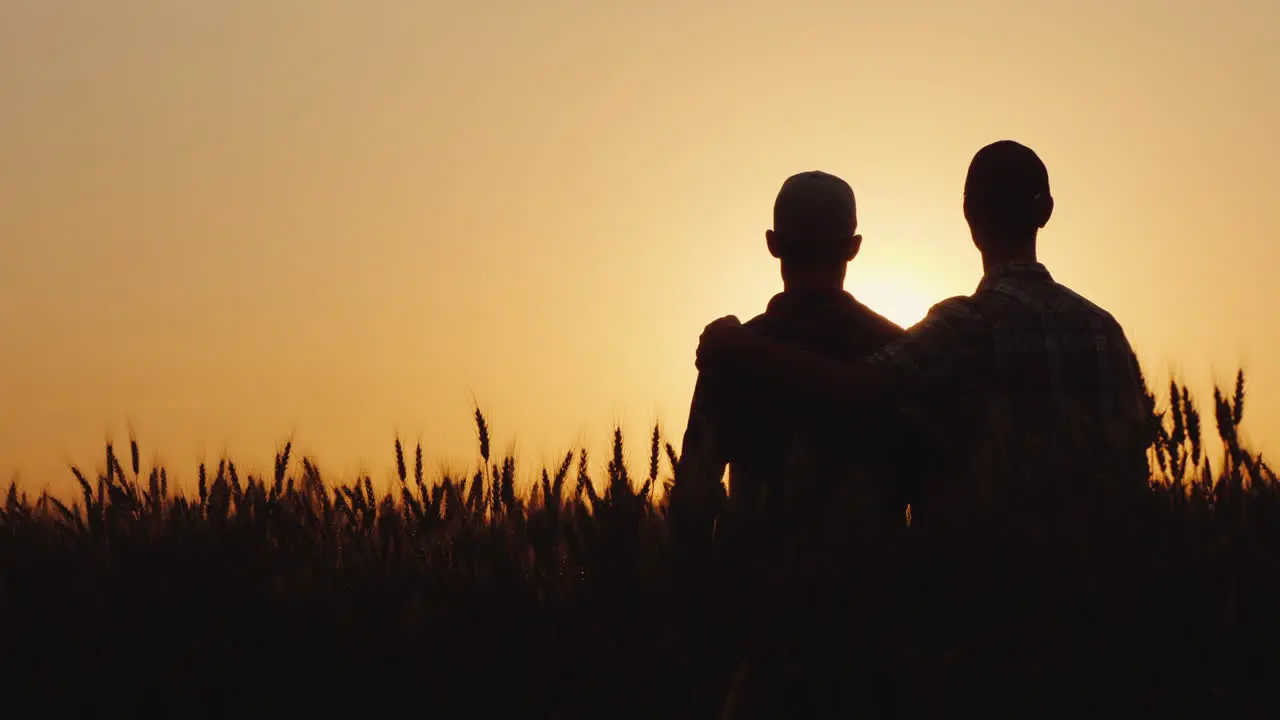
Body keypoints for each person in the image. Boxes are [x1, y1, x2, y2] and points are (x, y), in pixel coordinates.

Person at [694, 141, 1155, 512]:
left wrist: (739, 346)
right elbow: (1136, 467)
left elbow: (692, 502)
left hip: (978, 605)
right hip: (1095, 601)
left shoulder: (953, 333)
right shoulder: (1104, 331)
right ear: (853, 247)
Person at [670, 170, 904, 555]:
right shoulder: (897, 350)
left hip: (755, 598)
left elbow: (693, 499)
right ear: (854, 247)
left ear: (773, 244)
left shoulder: (728, 354)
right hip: (872, 599)